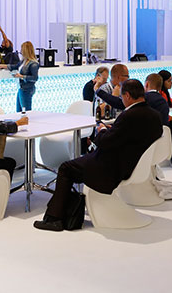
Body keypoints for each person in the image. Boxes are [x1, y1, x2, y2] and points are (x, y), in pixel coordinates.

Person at [33, 79, 163, 231]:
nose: (121, 100)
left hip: (112, 168)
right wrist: (112, 131)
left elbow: (105, 142)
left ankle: (54, 218)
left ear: (127, 95)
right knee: (75, 164)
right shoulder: (155, 115)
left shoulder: (129, 116)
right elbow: (129, 137)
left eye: (121, 97)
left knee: (66, 168)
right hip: (131, 164)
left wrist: (102, 130)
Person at [0, 41, 40, 112]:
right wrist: (3, 66)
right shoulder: (24, 61)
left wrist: (21, 76)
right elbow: (15, 66)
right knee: (19, 111)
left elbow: (35, 78)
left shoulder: (33, 64)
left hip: (27, 89)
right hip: (22, 88)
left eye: (22, 50)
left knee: (26, 111)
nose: (21, 51)